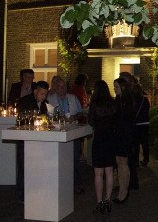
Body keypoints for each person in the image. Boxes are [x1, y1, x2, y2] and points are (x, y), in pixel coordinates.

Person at [48, 75, 87, 192]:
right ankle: (60, 184)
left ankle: (77, 184)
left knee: (74, 158)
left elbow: (81, 113)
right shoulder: (50, 98)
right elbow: (47, 115)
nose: (62, 88)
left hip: (72, 131)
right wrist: (58, 117)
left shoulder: (73, 98)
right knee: (58, 159)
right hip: (57, 133)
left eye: (64, 86)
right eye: (59, 86)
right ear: (55, 87)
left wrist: (75, 116)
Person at [88, 80, 118, 214]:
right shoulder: (113, 103)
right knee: (110, 171)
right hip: (111, 139)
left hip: (99, 139)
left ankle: (99, 202)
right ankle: (108, 200)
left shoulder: (94, 105)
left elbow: (91, 121)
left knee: (98, 173)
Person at [113, 76, 139, 203]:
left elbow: (128, 119)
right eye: (114, 87)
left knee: (123, 162)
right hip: (119, 134)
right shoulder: (118, 100)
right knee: (119, 162)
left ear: (123, 87)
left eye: (116, 87)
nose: (114, 89)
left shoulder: (128, 101)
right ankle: (122, 189)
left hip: (125, 134)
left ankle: (124, 191)